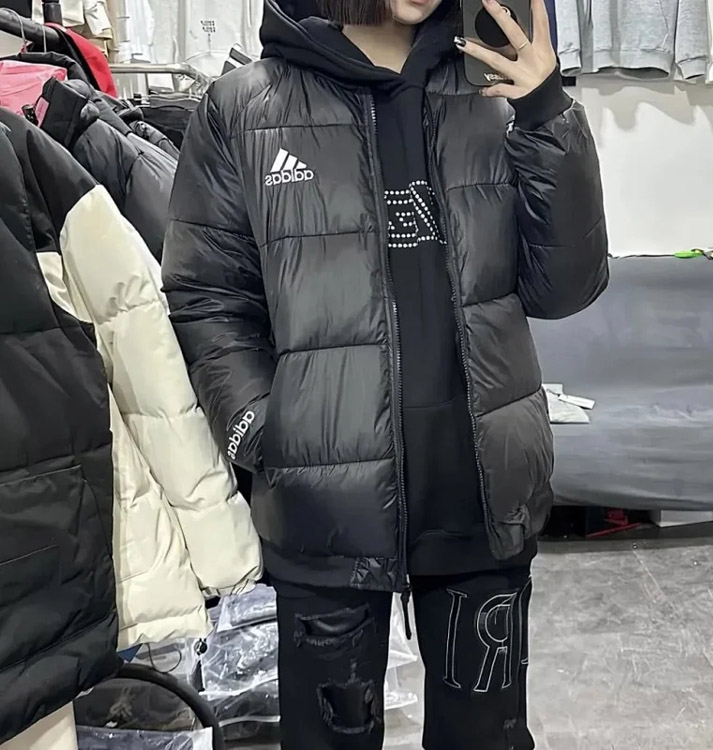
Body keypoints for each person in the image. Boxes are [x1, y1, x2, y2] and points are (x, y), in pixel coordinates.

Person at [162, 0, 608, 747]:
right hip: (324, 503)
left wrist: (545, 113)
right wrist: (260, 429)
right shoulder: (246, 107)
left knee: (487, 739)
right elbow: (207, 296)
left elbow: (565, 287)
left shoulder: (495, 91)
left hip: (481, 495)